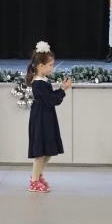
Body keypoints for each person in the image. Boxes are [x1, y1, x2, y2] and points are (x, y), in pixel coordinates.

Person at [25, 41, 71, 193]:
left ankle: (37, 176)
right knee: (41, 153)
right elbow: (51, 100)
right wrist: (62, 90)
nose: (52, 67)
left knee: (48, 151)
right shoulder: (38, 84)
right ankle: (33, 181)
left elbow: (51, 98)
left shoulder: (43, 81)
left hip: (47, 118)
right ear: (40, 66)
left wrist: (61, 89)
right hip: (41, 120)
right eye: (50, 65)